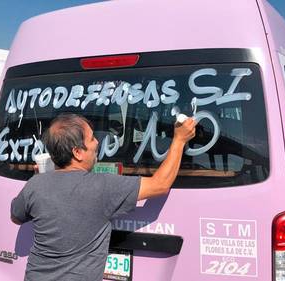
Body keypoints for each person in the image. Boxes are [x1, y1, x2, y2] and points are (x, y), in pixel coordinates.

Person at [11, 113, 196, 281]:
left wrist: (39, 179)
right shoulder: (102, 186)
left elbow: (15, 216)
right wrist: (179, 140)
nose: (97, 143)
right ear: (77, 152)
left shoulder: (36, 184)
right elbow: (160, 185)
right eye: (91, 139)